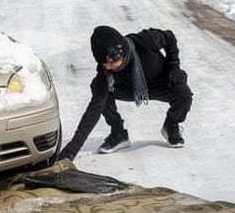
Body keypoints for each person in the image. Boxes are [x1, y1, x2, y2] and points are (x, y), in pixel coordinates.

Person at [58, 25, 193, 160]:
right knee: (99, 91)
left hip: (160, 82)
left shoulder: (146, 41)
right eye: (105, 64)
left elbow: (169, 37)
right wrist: (71, 151)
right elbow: (93, 111)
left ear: (122, 52)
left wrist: (174, 67)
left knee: (184, 94)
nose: (110, 67)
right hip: (129, 90)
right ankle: (118, 133)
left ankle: (171, 125)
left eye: (113, 61)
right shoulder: (105, 74)